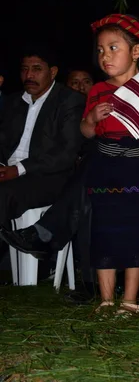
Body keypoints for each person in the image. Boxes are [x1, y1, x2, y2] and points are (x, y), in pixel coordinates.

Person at [80, 14, 139, 315]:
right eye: (101, 50)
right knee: (105, 232)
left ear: (137, 52)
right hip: (105, 166)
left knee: (136, 232)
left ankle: (130, 300)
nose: (105, 56)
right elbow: (86, 131)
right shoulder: (97, 90)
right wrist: (91, 120)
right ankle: (106, 300)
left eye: (113, 48)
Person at [0, 44, 85, 254]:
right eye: (24, 69)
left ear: (53, 72)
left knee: (3, 194)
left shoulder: (69, 101)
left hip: (49, 177)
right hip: (9, 172)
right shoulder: (13, 102)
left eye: (36, 69)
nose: (29, 75)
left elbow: (66, 154)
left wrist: (18, 169)